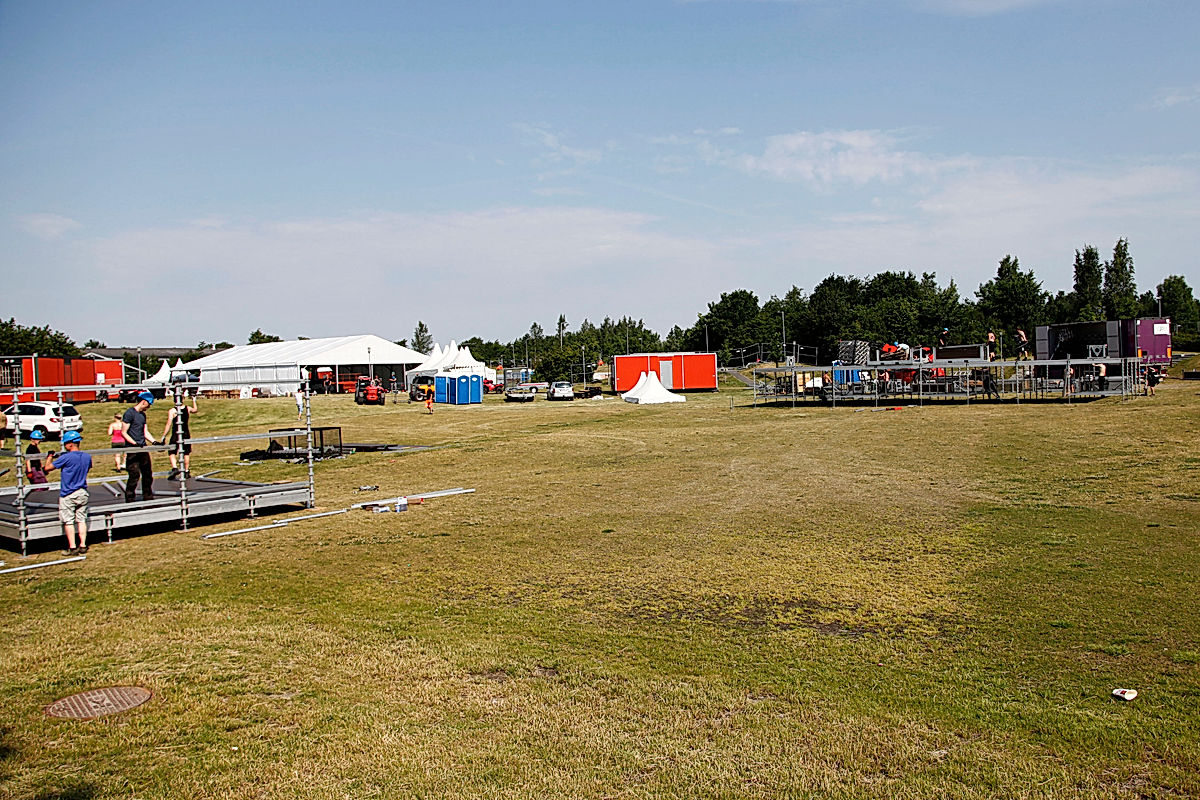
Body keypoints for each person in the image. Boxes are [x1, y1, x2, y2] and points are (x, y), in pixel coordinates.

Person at [44, 430, 91, 555]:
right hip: (82, 492)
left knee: (68, 521)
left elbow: (47, 469)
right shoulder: (87, 457)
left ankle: (72, 547)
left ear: (70, 444)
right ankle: (83, 545)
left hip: (68, 493)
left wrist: (49, 457)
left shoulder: (65, 457)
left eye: (65, 444)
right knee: (81, 520)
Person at [122, 391, 158, 502]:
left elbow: (145, 431)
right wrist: (133, 443)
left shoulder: (142, 415)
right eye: (149, 404)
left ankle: (147, 495)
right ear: (143, 402)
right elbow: (124, 432)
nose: (149, 407)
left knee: (147, 473)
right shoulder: (129, 413)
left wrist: (154, 441)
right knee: (134, 474)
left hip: (143, 447)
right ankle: (130, 498)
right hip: (132, 449)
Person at [162, 394, 198, 480]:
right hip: (185, 433)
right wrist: (194, 400)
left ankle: (175, 468)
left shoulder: (172, 411)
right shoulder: (187, 408)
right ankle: (186, 471)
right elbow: (195, 410)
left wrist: (164, 436)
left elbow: (169, 423)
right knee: (186, 452)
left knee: (172, 451)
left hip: (176, 433)